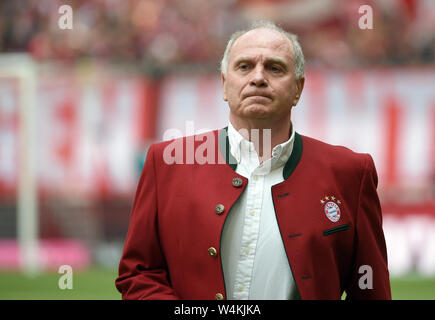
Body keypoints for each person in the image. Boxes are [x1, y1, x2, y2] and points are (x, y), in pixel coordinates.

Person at [115, 20, 391, 300]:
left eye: (275, 68)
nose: (258, 78)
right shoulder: (167, 163)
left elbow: (370, 287)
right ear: (225, 84)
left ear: (298, 88)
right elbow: (139, 274)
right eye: (244, 66)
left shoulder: (350, 172)